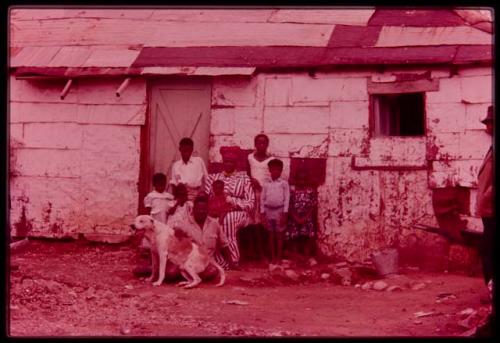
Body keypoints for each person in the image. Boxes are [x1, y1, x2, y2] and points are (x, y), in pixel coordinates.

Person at [163, 195, 237, 281]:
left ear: (207, 210)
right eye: (198, 209)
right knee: (170, 273)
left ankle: (188, 276)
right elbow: (173, 243)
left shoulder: (214, 224)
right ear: (193, 210)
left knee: (212, 272)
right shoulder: (183, 224)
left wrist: (231, 263)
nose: (201, 212)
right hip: (187, 259)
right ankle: (186, 273)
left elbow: (224, 245)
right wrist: (178, 237)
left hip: (205, 261)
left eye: (204, 209)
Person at [204, 146, 255, 269]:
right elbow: (207, 199)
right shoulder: (213, 178)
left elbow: (251, 203)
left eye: (231, 162)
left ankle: (233, 259)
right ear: (223, 162)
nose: (228, 164)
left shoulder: (244, 178)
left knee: (228, 219)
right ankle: (216, 259)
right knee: (210, 221)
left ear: (236, 163)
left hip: (239, 212)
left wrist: (233, 202)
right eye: (226, 161)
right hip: (216, 210)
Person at [246, 133, 273, 261]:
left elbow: (272, 178)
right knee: (253, 223)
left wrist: (262, 187)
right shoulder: (250, 158)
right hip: (252, 194)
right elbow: (246, 174)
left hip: (264, 194)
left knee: (264, 224)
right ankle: (254, 252)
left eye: (264, 143)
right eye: (259, 143)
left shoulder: (271, 160)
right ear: (255, 145)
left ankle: (264, 252)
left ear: (267, 145)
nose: (261, 145)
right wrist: (252, 182)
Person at [260, 158, 290, 265]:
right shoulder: (266, 183)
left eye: (278, 170)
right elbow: (262, 198)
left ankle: (279, 257)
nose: (276, 172)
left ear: (281, 171)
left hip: (280, 211)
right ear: (270, 170)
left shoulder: (284, 183)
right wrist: (262, 212)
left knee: (279, 235)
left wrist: (285, 213)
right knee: (271, 235)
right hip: (268, 211)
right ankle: (272, 257)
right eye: (273, 169)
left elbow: (287, 198)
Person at [286, 168, 318, 261]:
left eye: (304, 180)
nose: (301, 182)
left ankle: (306, 256)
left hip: (306, 219)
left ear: (307, 180)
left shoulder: (310, 191)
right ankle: (296, 256)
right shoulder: (292, 191)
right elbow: (289, 206)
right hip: (294, 218)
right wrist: (296, 218)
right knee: (294, 237)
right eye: (299, 179)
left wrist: (305, 218)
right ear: (296, 180)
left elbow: (313, 206)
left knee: (306, 237)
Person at [170, 137, 208, 202]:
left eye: (188, 150)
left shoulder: (199, 161)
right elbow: (174, 184)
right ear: (180, 149)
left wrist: (205, 195)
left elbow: (207, 179)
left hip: (197, 195)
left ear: (192, 150)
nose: (186, 153)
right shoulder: (176, 165)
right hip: (181, 196)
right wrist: (175, 199)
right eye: (184, 150)